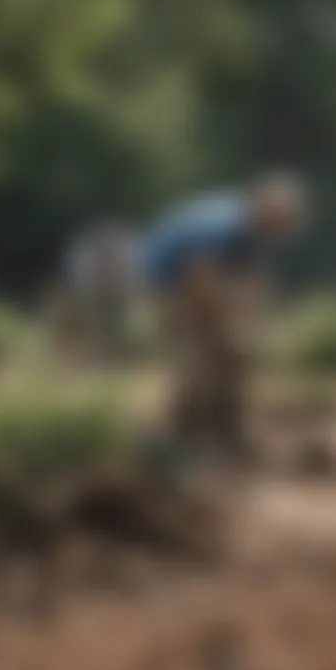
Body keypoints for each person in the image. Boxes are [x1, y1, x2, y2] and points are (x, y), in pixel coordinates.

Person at [142, 173, 306, 462]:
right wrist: (223, 329)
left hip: (200, 283)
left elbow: (251, 283)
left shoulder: (254, 234)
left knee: (233, 360)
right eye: (283, 221)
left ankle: (226, 433)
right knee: (198, 361)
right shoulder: (224, 227)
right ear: (266, 211)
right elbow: (199, 280)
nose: (284, 230)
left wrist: (253, 329)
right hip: (170, 283)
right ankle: (180, 441)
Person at [64, 222, 139, 361]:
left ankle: (114, 349)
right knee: (105, 322)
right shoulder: (94, 251)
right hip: (105, 293)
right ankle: (106, 350)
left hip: (113, 292)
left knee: (116, 321)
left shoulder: (117, 248)